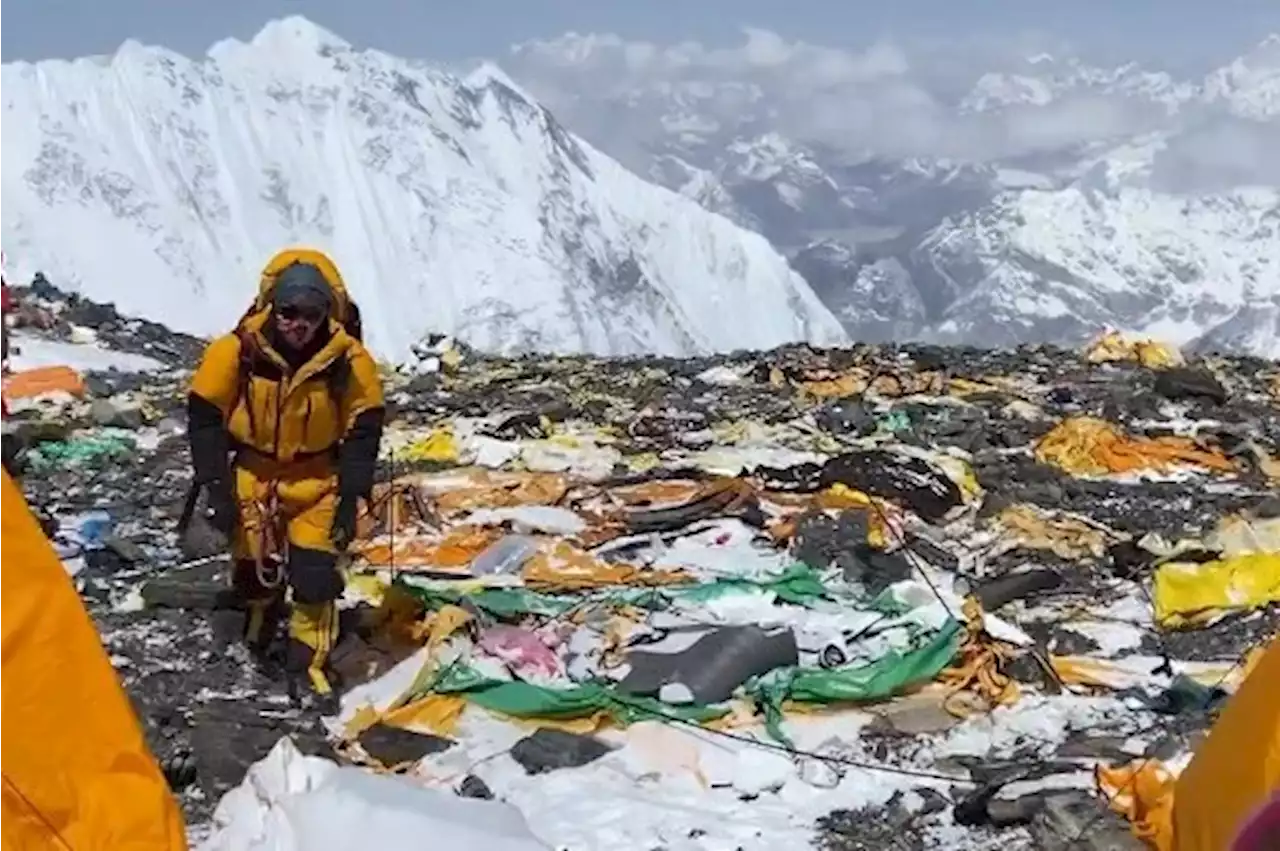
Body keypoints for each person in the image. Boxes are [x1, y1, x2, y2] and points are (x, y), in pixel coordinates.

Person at [186, 248, 384, 706]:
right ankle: (259, 624)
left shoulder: (347, 361)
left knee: (315, 578)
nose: (299, 324)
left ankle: (307, 663)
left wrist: (353, 495)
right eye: (289, 312)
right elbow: (204, 414)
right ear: (271, 307)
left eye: (310, 314)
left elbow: (365, 424)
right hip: (253, 475)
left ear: (325, 314)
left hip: (319, 481)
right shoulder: (237, 350)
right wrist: (215, 485)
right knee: (252, 566)